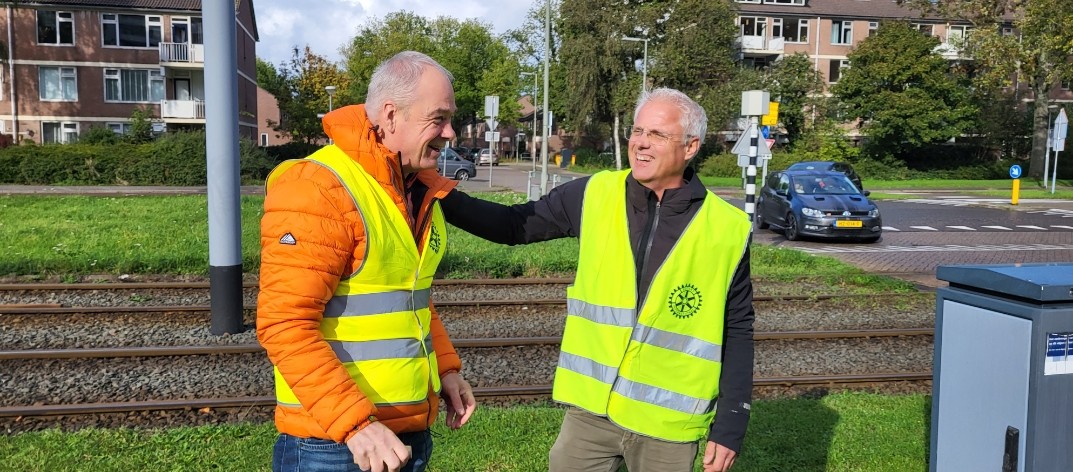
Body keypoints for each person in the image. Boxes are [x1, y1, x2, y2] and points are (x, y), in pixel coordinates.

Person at [437, 87, 754, 472]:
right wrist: (438, 193)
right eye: (637, 131)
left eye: (657, 135)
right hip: (590, 414)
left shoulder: (728, 228)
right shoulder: (595, 193)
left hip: (668, 427)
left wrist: (731, 423)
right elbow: (512, 225)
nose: (641, 143)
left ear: (690, 147)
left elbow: (737, 329)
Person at [257, 51, 476, 472]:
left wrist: (446, 370)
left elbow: (409, 299)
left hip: (402, 436)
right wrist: (355, 425)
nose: (450, 133)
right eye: (439, 118)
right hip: (337, 446)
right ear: (391, 116)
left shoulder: (413, 189)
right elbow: (284, 324)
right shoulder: (318, 187)